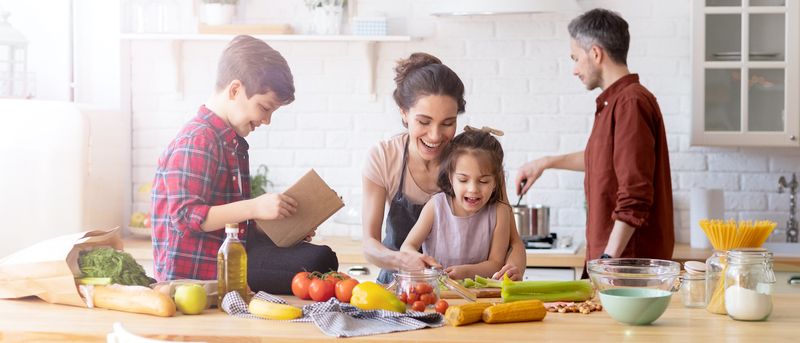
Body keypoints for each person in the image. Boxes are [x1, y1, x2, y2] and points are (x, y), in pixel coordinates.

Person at [151, 35, 337, 293]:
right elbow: (185, 216)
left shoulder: (229, 140)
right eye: (264, 108)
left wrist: (270, 225)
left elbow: (227, 220)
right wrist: (254, 207)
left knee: (319, 258)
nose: (267, 120)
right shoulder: (197, 140)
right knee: (318, 261)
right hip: (198, 274)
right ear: (235, 90)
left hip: (232, 256)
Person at [515, 8, 674, 270]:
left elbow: (635, 194)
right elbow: (603, 160)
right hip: (615, 264)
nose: (574, 69)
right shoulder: (617, 102)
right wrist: (544, 163)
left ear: (596, 53)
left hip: (626, 266)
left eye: (575, 58)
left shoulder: (630, 103)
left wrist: (608, 260)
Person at [361, 52, 526, 284]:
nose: (435, 136)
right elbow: (370, 245)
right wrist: (402, 260)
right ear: (404, 112)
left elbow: (514, 242)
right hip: (398, 284)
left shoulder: (473, 161)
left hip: (463, 289)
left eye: (448, 123)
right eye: (424, 122)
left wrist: (514, 267)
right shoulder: (384, 157)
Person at [400, 127, 511, 280]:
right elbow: (407, 247)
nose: (473, 189)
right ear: (451, 178)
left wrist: (465, 272)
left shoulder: (499, 212)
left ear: (495, 182)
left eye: (483, 181)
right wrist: (421, 262)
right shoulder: (435, 207)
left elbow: (496, 263)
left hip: (479, 297)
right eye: (463, 180)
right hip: (436, 295)